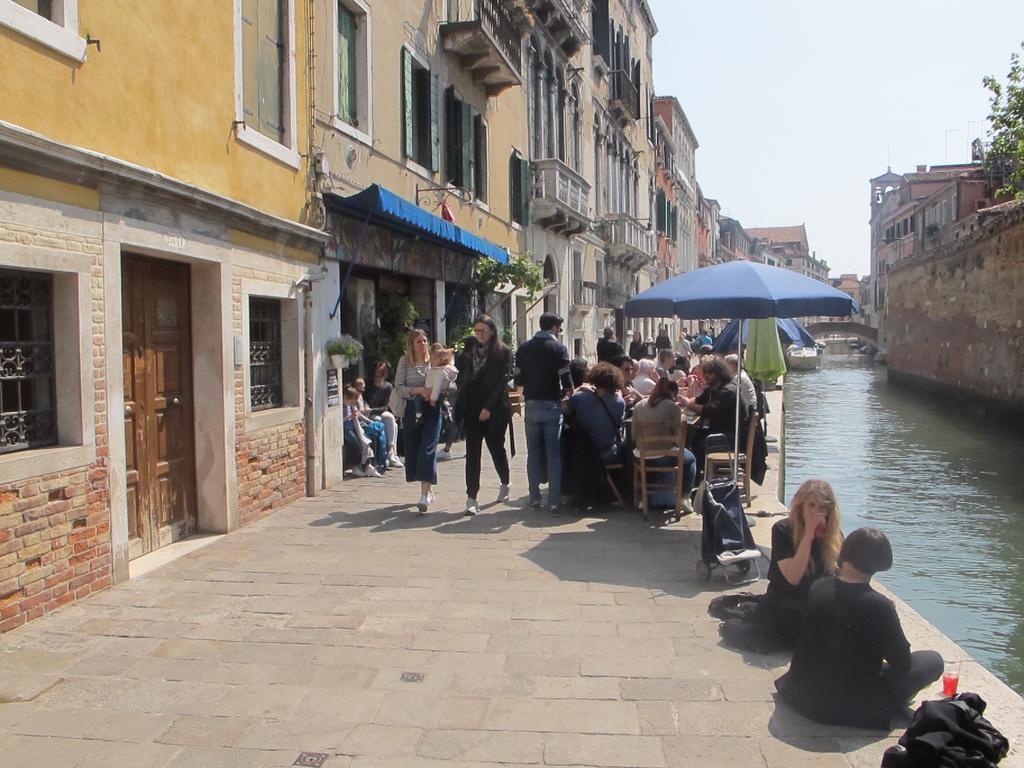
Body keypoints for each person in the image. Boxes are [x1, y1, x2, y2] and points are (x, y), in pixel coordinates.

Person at [775, 527, 944, 730]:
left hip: (801, 692)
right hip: (847, 704)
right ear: (879, 563)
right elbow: (902, 661)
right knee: (932, 661)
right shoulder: (878, 605)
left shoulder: (818, 587)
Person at [762, 479, 843, 647]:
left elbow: (840, 573)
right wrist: (808, 536)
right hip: (788, 597)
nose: (816, 512)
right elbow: (793, 577)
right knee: (792, 612)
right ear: (801, 506)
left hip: (817, 598)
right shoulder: (783, 530)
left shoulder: (834, 535)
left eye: (822, 508)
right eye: (811, 506)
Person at [515, 312, 573, 516]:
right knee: (553, 455)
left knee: (533, 453)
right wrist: (569, 392)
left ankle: (534, 498)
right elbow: (566, 380)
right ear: (555, 328)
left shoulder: (524, 348)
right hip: (551, 404)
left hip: (531, 404)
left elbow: (518, 381)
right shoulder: (559, 348)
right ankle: (554, 502)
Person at [455, 314, 512, 516]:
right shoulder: (469, 348)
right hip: (472, 406)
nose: (479, 335)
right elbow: (462, 373)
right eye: (476, 331)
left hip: (495, 407)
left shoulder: (503, 352)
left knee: (496, 447)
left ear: (492, 331)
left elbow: (501, 383)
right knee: (472, 452)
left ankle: (505, 482)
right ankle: (471, 497)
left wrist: (488, 407)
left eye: (483, 331)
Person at [631, 377, 696, 515]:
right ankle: (684, 497)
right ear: (672, 394)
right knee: (691, 459)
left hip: (641, 454)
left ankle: (643, 498)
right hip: (663, 456)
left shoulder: (639, 406)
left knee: (648, 459)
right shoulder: (673, 408)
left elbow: (633, 436)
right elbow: (678, 440)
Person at [394, 329, 441, 512]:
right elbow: (399, 387)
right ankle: (428, 489)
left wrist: (437, 390)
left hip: (433, 407)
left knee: (427, 448)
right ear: (412, 345)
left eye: (425, 341)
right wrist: (418, 390)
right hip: (413, 409)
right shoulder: (405, 362)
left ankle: (425, 494)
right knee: (414, 450)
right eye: (419, 342)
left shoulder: (434, 360)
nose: (423, 345)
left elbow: (450, 380)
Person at [678, 356, 740, 475]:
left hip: (730, 436)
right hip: (719, 430)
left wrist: (687, 403)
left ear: (719, 373)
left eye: (710, 373)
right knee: (693, 437)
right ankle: (699, 474)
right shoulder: (713, 388)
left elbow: (708, 411)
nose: (706, 375)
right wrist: (683, 400)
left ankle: (703, 475)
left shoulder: (728, 390)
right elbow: (698, 400)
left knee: (697, 442)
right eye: (705, 372)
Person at [565, 363, 626, 465]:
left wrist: (579, 389)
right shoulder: (619, 402)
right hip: (607, 453)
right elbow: (619, 423)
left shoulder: (580, 397)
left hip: (584, 451)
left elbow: (567, 406)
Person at [356, 369, 403, 468]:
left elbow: (385, 407)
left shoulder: (388, 386)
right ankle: (389, 454)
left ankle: (391, 452)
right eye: (376, 376)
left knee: (391, 420)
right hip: (367, 413)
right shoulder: (367, 384)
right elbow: (362, 399)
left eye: (381, 376)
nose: (378, 379)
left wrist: (372, 410)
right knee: (387, 423)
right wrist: (366, 406)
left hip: (376, 411)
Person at [343, 387, 383, 478]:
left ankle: (368, 466)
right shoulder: (342, 407)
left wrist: (370, 421)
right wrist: (349, 416)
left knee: (368, 442)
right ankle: (355, 466)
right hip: (346, 429)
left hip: (355, 427)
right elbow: (340, 421)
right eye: (352, 400)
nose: (353, 402)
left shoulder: (351, 405)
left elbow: (359, 415)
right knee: (356, 446)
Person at [413, 344, 458, 423]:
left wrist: (433, 399)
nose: (431, 361)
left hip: (432, 393)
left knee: (417, 398)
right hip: (438, 393)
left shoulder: (439, 372)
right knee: (442, 402)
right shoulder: (441, 370)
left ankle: (419, 416)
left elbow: (437, 386)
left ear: (441, 360)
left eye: (434, 359)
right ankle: (448, 415)